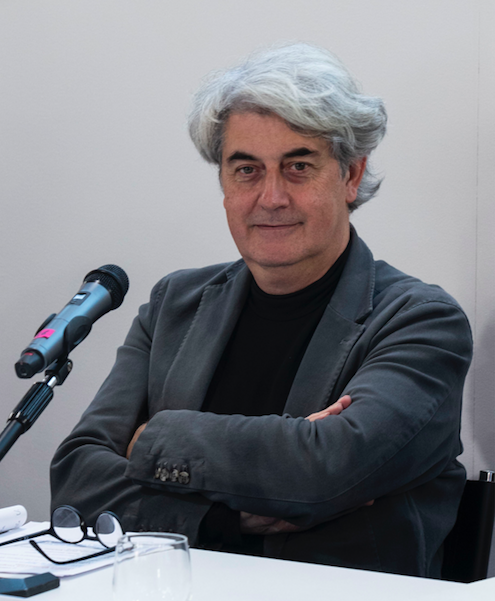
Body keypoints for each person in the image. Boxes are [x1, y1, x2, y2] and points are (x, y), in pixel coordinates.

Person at [50, 43, 472, 578]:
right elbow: (77, 480)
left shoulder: (421, 320)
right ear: (224, 184)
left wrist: (153, 439)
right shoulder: (174, 304)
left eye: (298, 166)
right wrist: (224, 521)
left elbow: (325, 472)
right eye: (247, 169)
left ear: (350, 175)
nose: (271, 197)